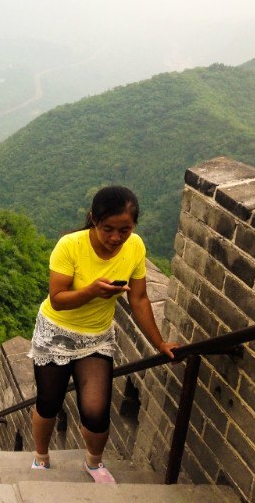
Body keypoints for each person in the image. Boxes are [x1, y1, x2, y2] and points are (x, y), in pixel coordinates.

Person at [27, 186, 179, 483]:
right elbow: (57, 298)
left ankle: (94, 463)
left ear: (134, 227)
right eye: (107, 229)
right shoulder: (69, 245)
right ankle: (41, 457)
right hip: (55, 333)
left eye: (124, 229)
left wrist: (159, 343)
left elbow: (139, 299)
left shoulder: (135, 247)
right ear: (94, 220)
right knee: (49, 402)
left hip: (96, 338)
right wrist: (92, 291)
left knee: (96, 412)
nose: (115, 238)